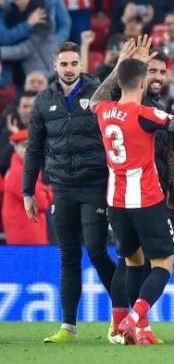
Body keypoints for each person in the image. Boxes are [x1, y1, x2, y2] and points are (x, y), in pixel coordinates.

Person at [90, 35, 174, 345]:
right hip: (147, 199)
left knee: (132, 262)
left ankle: (131, 328)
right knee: (165, 262)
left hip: (116, 200)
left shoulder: (104, 110)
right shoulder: (146, 114)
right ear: (142, 85)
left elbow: (97, 98)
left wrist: (119, 65)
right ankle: (134, 318)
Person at [23, 42, 117, 344]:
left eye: (74, 63)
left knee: (98, 250)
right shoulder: (43, 99)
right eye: (64, 64)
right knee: (69, 257)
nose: (69, 69)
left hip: (94, 186)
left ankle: (124, 314)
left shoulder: (98, 92)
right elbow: (33, 149)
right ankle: (68, 325)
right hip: (62, 187)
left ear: (81, 65)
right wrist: (28, 191)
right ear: (55, 66)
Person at [3, 129, 52, 245]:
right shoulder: (19, 173)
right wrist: (49, 191)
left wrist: (44, 191)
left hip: (28, 235)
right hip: (27, 238)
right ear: (15, 148)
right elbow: (42, 202)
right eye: (24, 145)